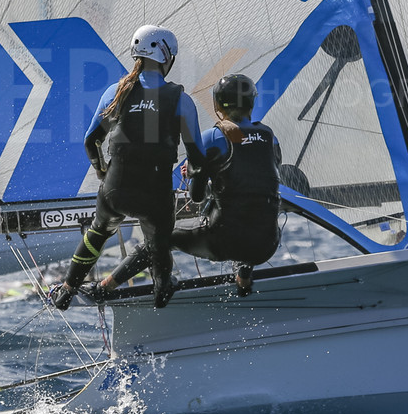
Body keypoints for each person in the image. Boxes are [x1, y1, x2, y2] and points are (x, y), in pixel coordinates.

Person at [50, 25, 203, 310]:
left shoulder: (116, 92)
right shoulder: (181, 100)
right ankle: (161, 291)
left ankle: (67, 289)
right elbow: (197, 156)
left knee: (97, 233)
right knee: (158, 244)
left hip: (114, 191)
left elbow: (91, 141)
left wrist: (101, 171)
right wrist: (196, 184)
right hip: (154, 196)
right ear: (165, 56)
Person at [94, 74, 281, 298]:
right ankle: (244, 276)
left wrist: (198, 175)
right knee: (252, 214)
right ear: (252, 102)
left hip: (224, 241)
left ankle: (104, 287)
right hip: (267, 244)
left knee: (161, 237)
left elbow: (197, 196)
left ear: (218, 105)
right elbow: (260, 178)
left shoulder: (213, 137)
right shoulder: (270, 136)